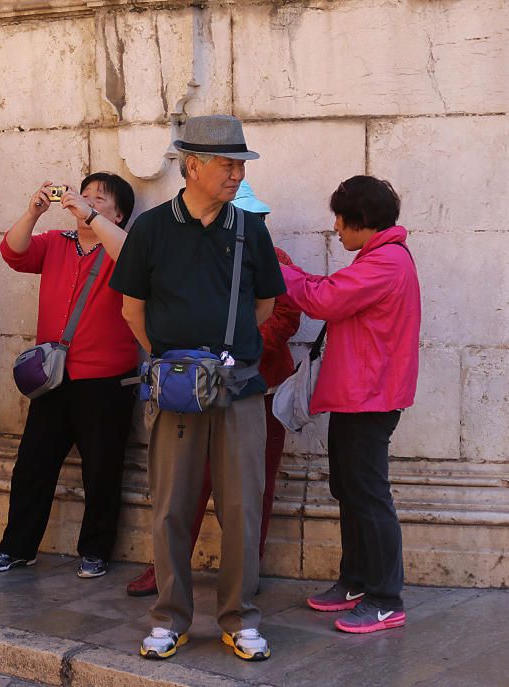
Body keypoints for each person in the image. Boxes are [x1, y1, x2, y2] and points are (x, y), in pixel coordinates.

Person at [110, 115, 285, 661]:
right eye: (227, 165)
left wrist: (226, 354)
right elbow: (131, 308)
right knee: (170, 507)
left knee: (243, 508)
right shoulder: (151, 229)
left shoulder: (250, 229)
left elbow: (266, 305)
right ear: (192, 166)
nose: (236, 174)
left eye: (240, 165)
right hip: (177, 389)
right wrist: (174, 360)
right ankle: (170, 619)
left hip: (241, 389)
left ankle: (239, 617)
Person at [126, 181, 301, 597]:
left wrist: (232, 354)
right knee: (181, 489)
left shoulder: (273, 257)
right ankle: (167, 572)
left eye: (258, 218)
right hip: (188, 391)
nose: (254, 224)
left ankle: (244, 578)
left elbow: (279, 315)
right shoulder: (186, 249)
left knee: (249, 492)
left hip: (252, 388)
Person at [280, 175, 420, 634]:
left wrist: (275, 268)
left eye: (340, 219)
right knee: (349, 489)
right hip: (357, 394)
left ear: (360, 219)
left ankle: (385, 599)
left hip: (370, 397)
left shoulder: (386, 263)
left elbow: (325, 299)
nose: (335, 228)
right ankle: (356, 581)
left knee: (368, 496)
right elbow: (329, 291)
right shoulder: (376, 258)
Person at [0, 173, 139, 579]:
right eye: (82, 196)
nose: (84, 203)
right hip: (52, 379)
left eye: (98, 200)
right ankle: (17, 546)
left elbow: (137, 264)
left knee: (102, 469)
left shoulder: (124, 246)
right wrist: (33, 211)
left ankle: (96, 550)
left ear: (119, 213)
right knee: (33, 464)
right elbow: (13, 253)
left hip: (106, 380)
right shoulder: (56, 244)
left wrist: (93, 219)